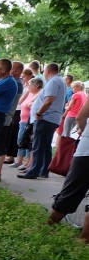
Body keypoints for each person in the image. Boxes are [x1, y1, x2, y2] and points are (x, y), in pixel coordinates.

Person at [48, 98, 89, 243]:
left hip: (86, 151)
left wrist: (84, 131)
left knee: (70, 192)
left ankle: (47, 230)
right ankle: (84, 242)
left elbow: (81, 117)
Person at [18, 63, 68, 179]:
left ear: (48, 71)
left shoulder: (54, 81)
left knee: (38, 145)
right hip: (51, 118)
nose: (44, 74)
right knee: (45, 146)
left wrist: (39, 113)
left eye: (45, 71)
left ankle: (34, 171)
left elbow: (49, 100)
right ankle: (43, 170)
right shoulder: (60, 81)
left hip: (46, 118)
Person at [0, 60, 24, 173]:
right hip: (4, 116)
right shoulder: (11, 82)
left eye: (12, 68)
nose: (9, 70)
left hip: (4, 117)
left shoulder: (14, 83)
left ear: (18, 71)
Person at [15, 73, 40, 171]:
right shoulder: (29, 92)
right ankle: (20, 160)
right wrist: (27, 91)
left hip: (29, 120)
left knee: (27, 142)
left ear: (37, 86)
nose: (28, 87)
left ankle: (26, 162)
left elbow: (31, 105)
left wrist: (30, 100)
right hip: (23, 120)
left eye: (31, 85)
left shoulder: (39, 93)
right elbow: (20, 102)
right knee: (20, 140)